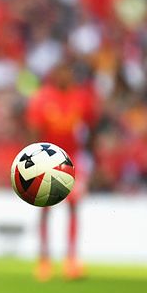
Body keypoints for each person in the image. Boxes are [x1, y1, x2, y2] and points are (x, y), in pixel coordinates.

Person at [25, 62, 98, 281]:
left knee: (74, 205)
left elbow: (91, 126)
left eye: (69, 72)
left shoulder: (82, 97)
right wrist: (35, 160)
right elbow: (34, 129)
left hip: (73, 159)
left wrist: (90, 157)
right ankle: (44, 260)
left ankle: (71, 259)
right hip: (47, 157)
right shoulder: (43, 97)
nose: (65, 76)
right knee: (46, 205)